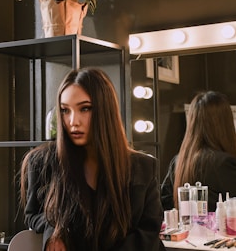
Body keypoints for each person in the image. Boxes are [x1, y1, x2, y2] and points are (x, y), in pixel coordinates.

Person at [20, 67, 165, 251]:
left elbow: (148, 232)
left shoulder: (142, 167)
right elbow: (33, 215)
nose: (73, 121)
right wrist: (54, 230)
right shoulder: (43, 162)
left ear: (105, 110)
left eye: (85, 108)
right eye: (65, 110)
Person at [161, 90, 236, 212]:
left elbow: (166, 203)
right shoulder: (225, 163)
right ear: (226, 123)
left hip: (187, 230)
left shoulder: (179, 161)